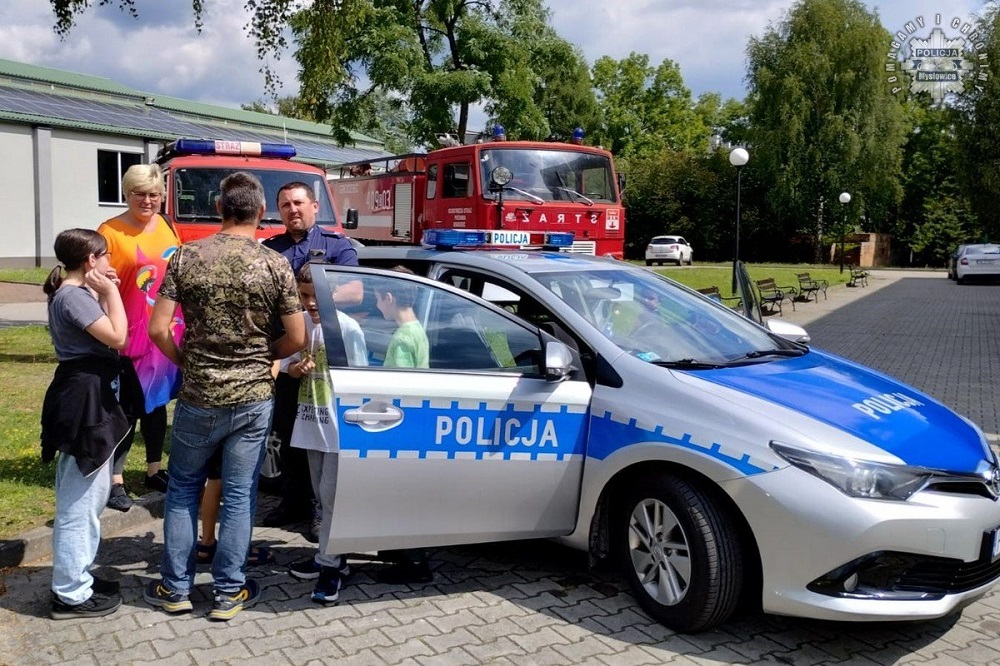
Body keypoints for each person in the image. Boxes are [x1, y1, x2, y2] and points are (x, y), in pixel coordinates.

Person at [144, 171, 305, 621]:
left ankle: (175, 589)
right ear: (260, 213)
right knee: (239, 495)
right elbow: (295, 337)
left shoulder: (186, 257)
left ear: (220, 209)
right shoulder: (274, 264)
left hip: (199, 394)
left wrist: (188, 361)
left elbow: (158, 328)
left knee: (182, 492)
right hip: (253, 396)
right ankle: (228, 593)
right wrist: (261, 359)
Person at [260, 182, 362, 529]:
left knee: (326, 436)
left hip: (326, 360)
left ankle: (326, 506)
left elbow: (355, 289)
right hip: (289, 355)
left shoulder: (336, 246)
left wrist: (304, 295)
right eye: (285, 204)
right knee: (288, 430)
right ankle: (293, 502)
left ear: (315, 206)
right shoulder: (271, 249)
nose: (293, 209)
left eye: (299, 202)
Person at [41, 229, 131, 619]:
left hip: (87, 393)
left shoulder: (73, 293)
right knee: (80, 500)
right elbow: (119, 336)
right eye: (106, 255)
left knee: (88, 495)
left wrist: (103, 292)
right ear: (91, 261)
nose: (111, 261)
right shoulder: (72, 296)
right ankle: (71, 593)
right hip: (84, 400)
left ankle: (77, 578)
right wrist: (111, 295)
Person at [97, 163, 183, 511]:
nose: (147, 201)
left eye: (154, 195)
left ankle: (153, 469)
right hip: (127, 332)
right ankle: (115, 480)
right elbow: (97, 280)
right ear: (126, 194)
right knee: (126, 408)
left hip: (164, 331)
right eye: (139, 194)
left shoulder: (164, 225)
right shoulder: (110, 231)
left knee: (158, 403)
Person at [286, 263, 368, 603]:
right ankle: (332, 558)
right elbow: (287, 367)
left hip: (338, 427)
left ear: (331, 293)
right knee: (320, 495)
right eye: (304, 296)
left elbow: (363, 378)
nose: (311, 303)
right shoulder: (300, 325)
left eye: (317, 295)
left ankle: (330, 566)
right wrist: (296, 368)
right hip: (310, 421)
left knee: (332, 497)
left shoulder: (347, 328)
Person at [373, 266, 433, 583]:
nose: (377, 307)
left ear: (390, 297)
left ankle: (413, 562)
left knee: (399, 495)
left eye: (378, 301)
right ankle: (405, 552)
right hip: (415, 423)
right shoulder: (417, 330)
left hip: (399, 426)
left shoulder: (400, 339)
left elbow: (394, 393)